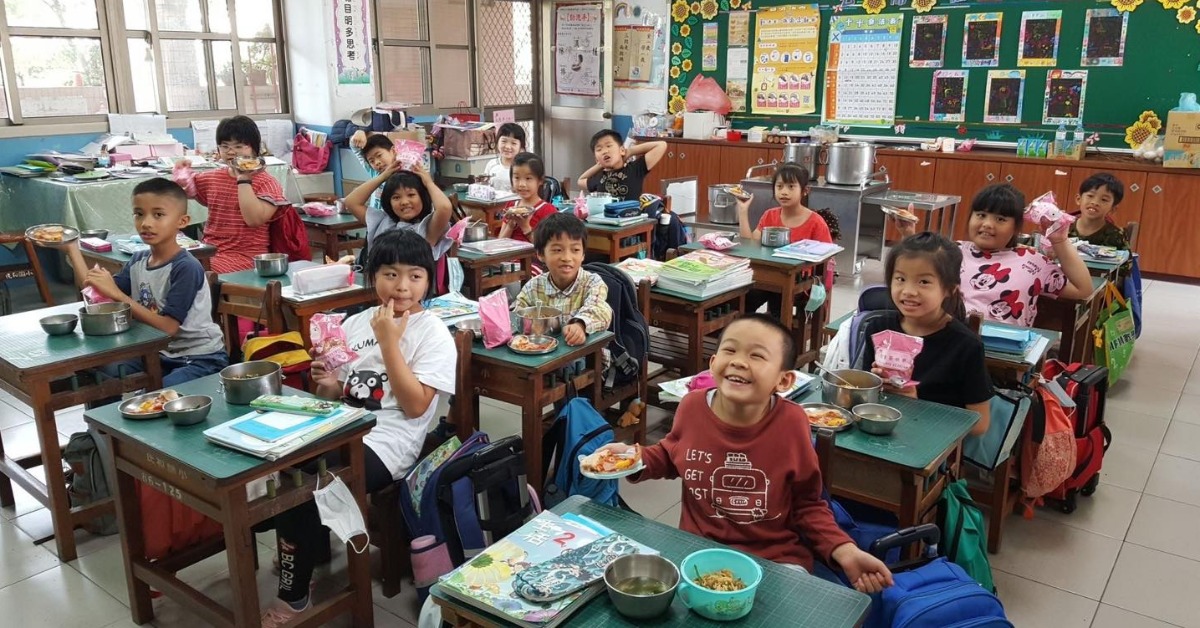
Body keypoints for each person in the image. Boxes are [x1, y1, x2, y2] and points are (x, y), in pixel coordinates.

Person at [610, 314, 893, 592]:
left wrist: (844, 550)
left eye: (756, 355)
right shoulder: (692, 407)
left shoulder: (791, 423)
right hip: (699, 551)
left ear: (784, 381)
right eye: (730, 350)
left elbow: (808, 503)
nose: (738, 361)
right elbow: (670, 454)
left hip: (775, 558)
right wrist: (630, 458)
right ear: (712, 363)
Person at [261, 229, 457, 626]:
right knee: (284, 466)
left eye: (415, 275)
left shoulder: (433, 332)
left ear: (428, 280)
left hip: (388, 442)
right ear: (372, 276)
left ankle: (293, 595)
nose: (402, 286)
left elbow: (416, 406)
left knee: (310, 484)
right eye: (390, 274)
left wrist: (388, 342)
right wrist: (327, 383)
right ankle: (305, 550)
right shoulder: (354, 324)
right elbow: (337, 394)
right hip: (341, 425)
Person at [64, 178, 227, 388]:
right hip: (157, 353)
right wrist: (72, 248)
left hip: (199, 357)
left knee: (160, 396)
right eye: (139, 214)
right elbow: (94, 293)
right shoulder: (138, 261)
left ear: (182, 221)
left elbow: (169, 328)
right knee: (99, 374)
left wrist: (118, 295)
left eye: (158, 215)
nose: (146, 223)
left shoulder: (186, 267)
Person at [895, 183, 1093, 328]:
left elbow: (1083, 290)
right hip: (947, 342)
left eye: (1000, 219)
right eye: (981, 215)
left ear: (1016, 227)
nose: (987, 224)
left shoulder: (1033, 262)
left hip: (1001, 355)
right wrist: (908, 236)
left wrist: (1060, 241)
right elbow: (913, 274)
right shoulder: (949, 251)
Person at [859, 233, 992, 436]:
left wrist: (915, 404)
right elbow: (863, 395)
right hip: (877, 431)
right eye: (900, 279)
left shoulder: (966, 345)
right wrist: (874, 385)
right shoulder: (878, 328)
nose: (909, 291)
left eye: (923, 282)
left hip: (935, 443)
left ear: (949, 289)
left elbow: (980, 425)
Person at [173, 115, 290, 273]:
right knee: (169, 263)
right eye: (225, 146)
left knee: (192, 270)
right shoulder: (213, 177)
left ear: (254, 148)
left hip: (246, 257)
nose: (231, 152)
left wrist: (243, 178)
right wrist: (182, 174)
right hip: (208, 251)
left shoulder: (267, 183)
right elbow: (180, 194)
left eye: (239, 146)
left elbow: (254, 220)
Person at [736, 162, 834, 317]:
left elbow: (828, 259)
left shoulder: (816, 222)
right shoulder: (770, 215)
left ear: (805, 191)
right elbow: (750, 244)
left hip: (801, 282)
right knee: (742, 299)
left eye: (791, 187)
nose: (784, 192)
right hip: (770, 277)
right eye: (779, 186)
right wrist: (743, 211)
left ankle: (775, 328)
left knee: (779, 299)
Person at [514, 213, 612, 347]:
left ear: (583, 254)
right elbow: (517, 314)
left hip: (583, 355)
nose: (566, 258)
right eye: (557, 250)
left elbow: (601, 310)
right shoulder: (533, 286)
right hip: (540, 351)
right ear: (541, 254)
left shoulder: (592, 283)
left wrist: (580, 325)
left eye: (575, 250)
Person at [344, 160, 454, 259]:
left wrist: (429, 183)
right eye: (396, 197)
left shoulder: (428, 228)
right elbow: (351, 202)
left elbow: (444, 208)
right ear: (389, 202)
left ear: (423, 197)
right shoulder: (381, 221)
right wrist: (382, 177)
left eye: (411, 195)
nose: (404, 202)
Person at [346, 131, 402, 255]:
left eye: (379, 155)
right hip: (376, 225)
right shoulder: (376, 174)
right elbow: (355, 148)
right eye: (371, 161)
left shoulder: (404, 176)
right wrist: (359, 132)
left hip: (396, 228)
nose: (377, 162)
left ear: (393, 151)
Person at [578, 130, 667, 201]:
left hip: (631, 216)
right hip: (605, 216)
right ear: (596, 159)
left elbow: (661, 145)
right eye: (599, 149)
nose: (604, 151)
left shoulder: (635, 169)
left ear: (622, 150)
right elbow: (580, 180)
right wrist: (599, 165)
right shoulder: (599, 177)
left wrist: (629, 152)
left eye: (609, 146)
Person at [497, 152, 557, 244]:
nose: (522, 184)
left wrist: (525, 227)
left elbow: (547, 247)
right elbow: (500, 243)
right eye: (517, 178)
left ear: (540, 180)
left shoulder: (548, 210)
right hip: (510, 253)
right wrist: (510, 225)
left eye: (528, 178)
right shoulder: (511, 205)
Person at [1069, 173, 1130, 249]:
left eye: (1104, 199)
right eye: (1090, 196)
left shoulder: (1116, 236)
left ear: (1113, 209)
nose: (1095, 202)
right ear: (1078, 199)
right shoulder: (1063, 228)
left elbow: (1126, 256)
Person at [482, 123, 526, 192]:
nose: (508, 146)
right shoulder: (491, 164)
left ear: (521, 146)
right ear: (497, 142)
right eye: (504, 141)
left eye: (513, 143)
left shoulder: (524, 166)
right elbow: (484, 186)